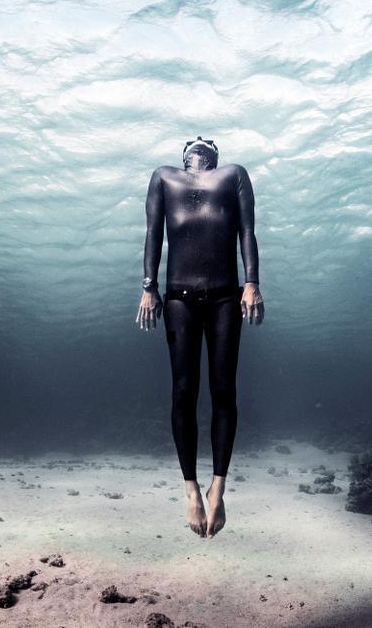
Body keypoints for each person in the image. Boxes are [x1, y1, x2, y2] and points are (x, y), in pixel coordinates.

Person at [135, 137, 264, 538]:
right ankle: (190, 488)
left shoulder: (234, 175)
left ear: (215, 155)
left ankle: (218, 487)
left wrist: (252, 282)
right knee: (183, 391)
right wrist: (148, 286)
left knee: (224, 390)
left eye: (208, 142)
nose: (200, 142)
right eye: (194, 141)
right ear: (184, 154)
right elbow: (153, 232)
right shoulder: (163, 177)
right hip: (178, 299)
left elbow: (247, 230)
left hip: (227, 296)